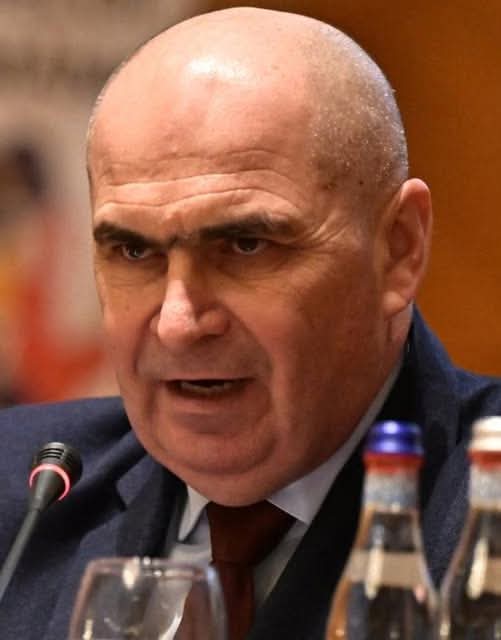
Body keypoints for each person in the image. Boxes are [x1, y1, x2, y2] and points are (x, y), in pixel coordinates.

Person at [0, 7, 500, 639]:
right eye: (133, 251)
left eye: (245, 246)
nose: (178, 323)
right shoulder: (19, 494)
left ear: (398, 249)